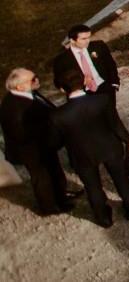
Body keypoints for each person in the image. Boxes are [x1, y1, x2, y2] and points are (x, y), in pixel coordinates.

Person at [48, 67, 129, 228]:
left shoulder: (57, 115)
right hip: (110, 147)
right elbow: (115, 123)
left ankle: (103, 217)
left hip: (82, 154)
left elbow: (57, 141)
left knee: (93, 186)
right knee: (120, 177)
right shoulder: (102, 100)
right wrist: (128, 140)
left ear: (61, 89)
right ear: (84, 81)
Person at [2, 68, 79, 216]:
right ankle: (48, 207)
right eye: (32, 79)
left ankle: (61, 197)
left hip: (44, 144)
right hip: (32, 150)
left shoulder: (29, 93)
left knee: (55, 171)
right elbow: (20, 134)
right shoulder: (12, 106)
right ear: (20, 87)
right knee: (42, 178)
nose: (37, 80)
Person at [52, 24, 120, 96]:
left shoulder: (99, 46)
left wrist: (114, 83)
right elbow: (58, 80)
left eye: (89, 37)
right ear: (72, 40)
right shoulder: (61, 59)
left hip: (105, 87)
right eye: (84, 39)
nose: (88, 41)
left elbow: (110, 64)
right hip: (82, 93)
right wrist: (76, 85)